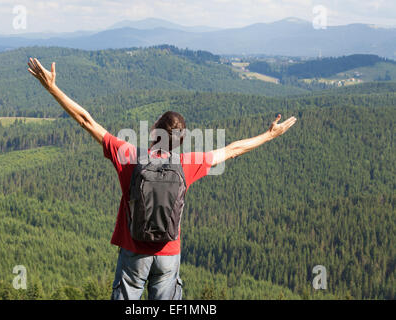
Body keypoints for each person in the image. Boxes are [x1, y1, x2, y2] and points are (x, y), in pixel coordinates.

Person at [27, 58, 297, 300]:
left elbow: (86, 121)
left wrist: (52, 88)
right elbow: (233, 149)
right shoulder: (186, 164)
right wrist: (269, 135)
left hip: (134, 251)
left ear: (154, 132)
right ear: (179, 142)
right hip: (169, 253)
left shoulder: (130, 157)